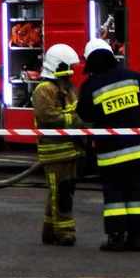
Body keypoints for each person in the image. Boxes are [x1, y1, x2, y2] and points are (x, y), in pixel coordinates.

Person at [76, 39, 140, 252]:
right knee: (135, 194)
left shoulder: (91, 86)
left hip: (110, 152)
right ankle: (135, 238)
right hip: (135, 150)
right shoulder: (130, 77)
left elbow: (84, 114)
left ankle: (115, 238)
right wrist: (137, 99)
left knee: (114, 196)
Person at [32, 44, 83, 246]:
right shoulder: (43, 90)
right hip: (54, 152)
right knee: (61, 193)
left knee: (61, 192)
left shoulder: (68, 89)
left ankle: (49, 231)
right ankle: (64, 232)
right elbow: (48, 117)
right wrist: (76, 120)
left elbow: (78, 109)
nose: (71, 71)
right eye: (68, 66)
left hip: (71, 152)